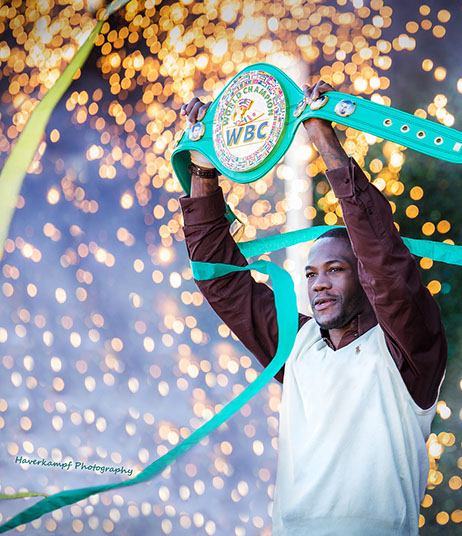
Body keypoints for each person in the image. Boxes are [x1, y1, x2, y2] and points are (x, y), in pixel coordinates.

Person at [178, 80, 447, 535]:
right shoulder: (297, 345)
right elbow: (221, 283)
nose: (318, 284)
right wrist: (203, 167)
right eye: (310, 274)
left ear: (362, 278)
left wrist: (324, 139)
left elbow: (386, 264)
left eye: (335, 270)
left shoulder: (407, 346)